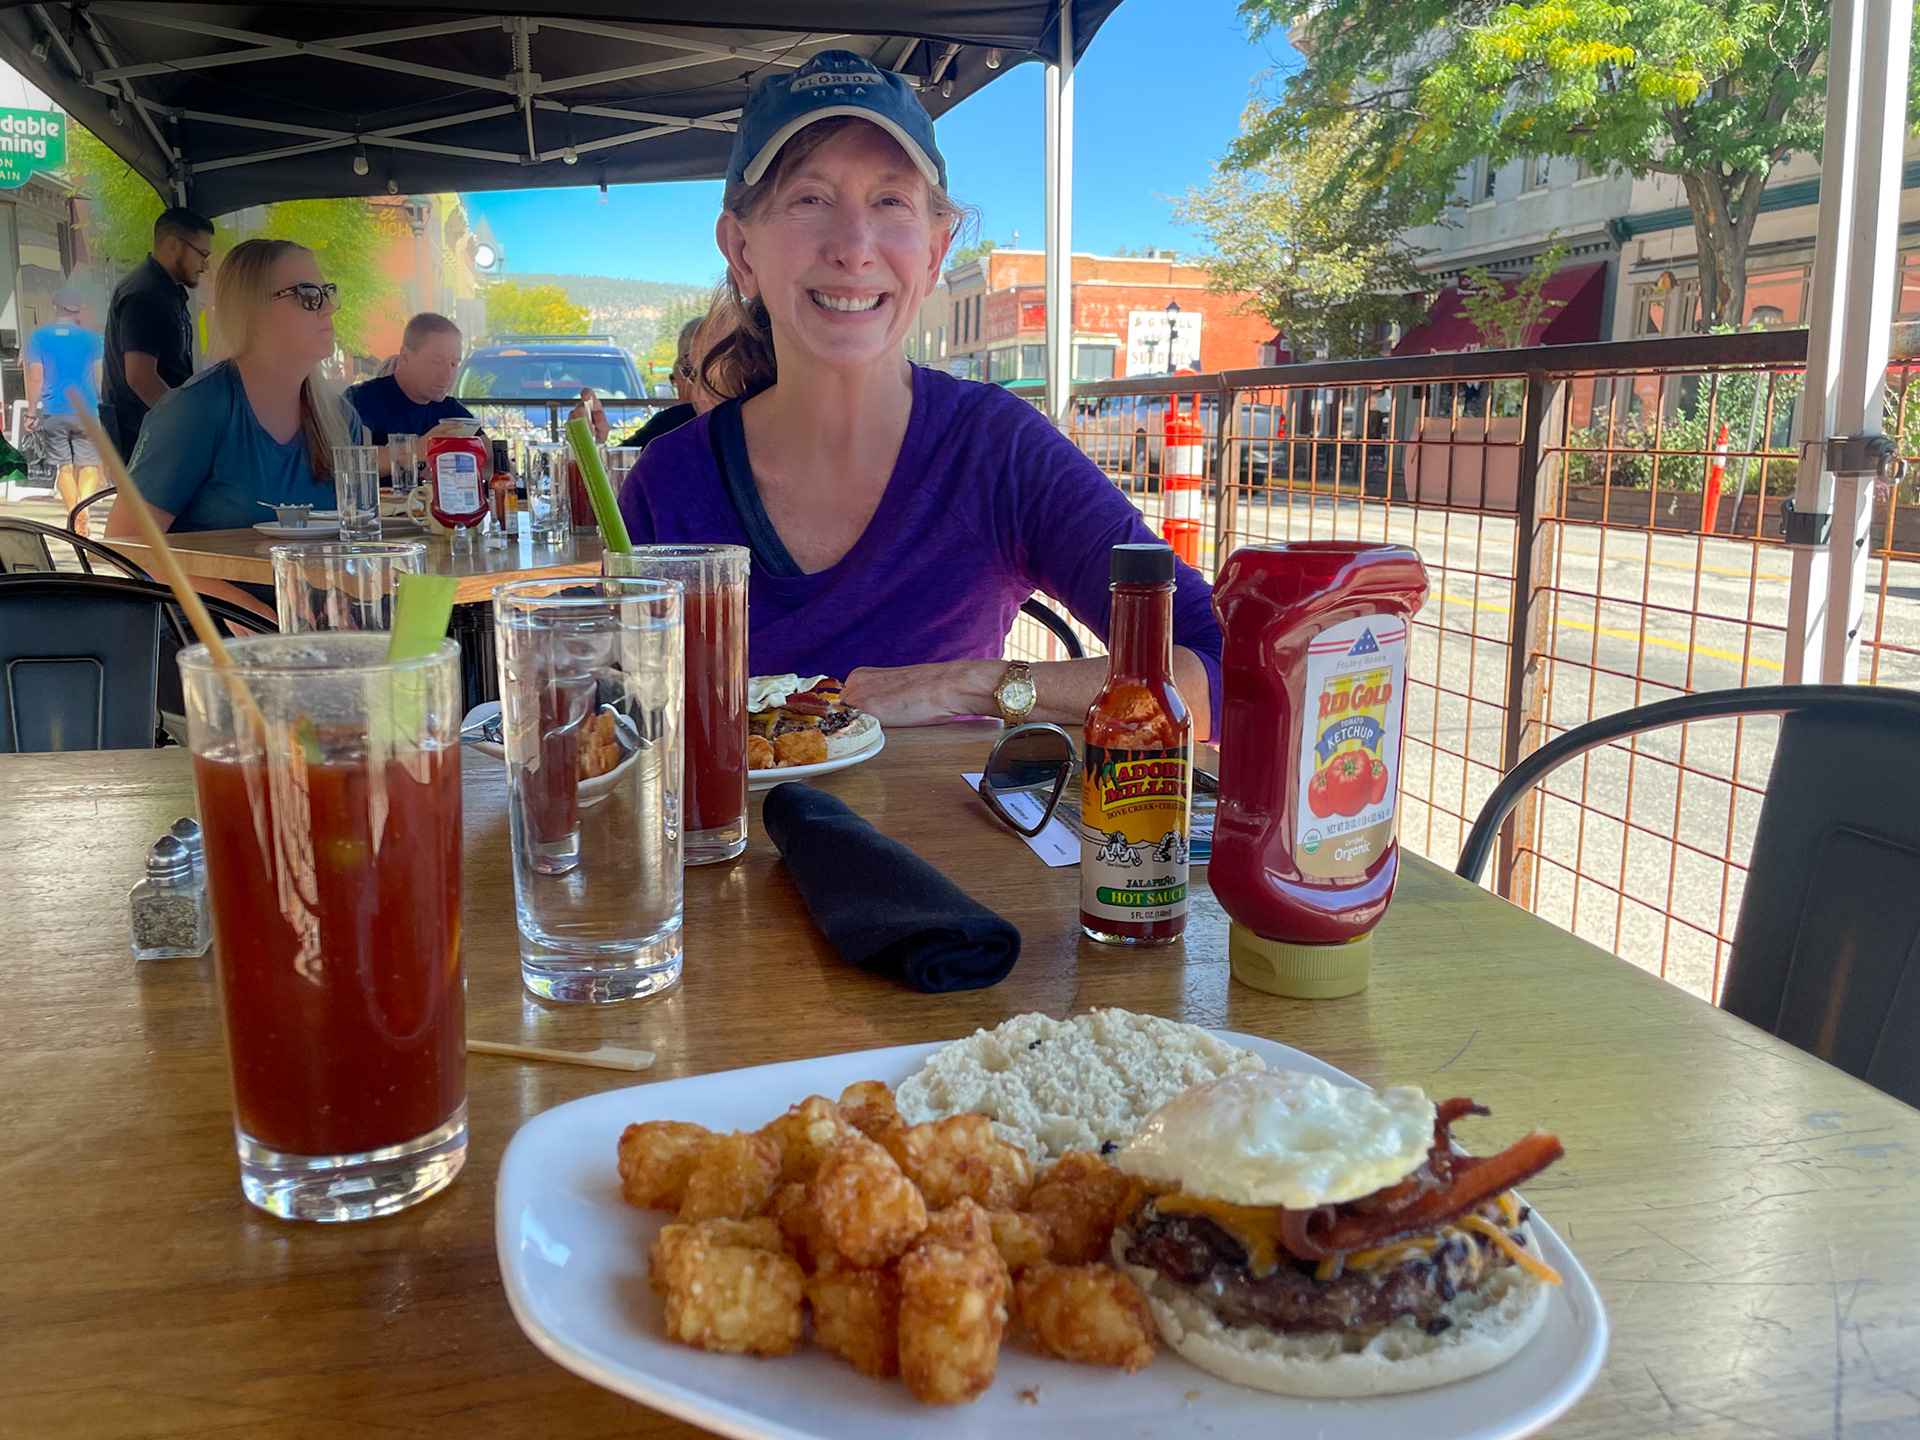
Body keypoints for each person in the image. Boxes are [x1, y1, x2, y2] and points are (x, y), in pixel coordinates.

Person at [616, 51, 1223, 736]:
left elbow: (1221, 669)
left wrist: (965, 684)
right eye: (809, 198)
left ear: (935, 253)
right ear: (742, 250)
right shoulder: (669, 483)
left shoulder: (997, 450)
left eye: (889, 202)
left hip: (944, 847)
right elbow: (630, 717)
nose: (853, 246)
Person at [107, 239, 363, 618]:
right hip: (202, 639)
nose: (327, 308)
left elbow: (348, 546)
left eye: (327, 293)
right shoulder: (199, 409)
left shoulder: (341, 419)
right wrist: (245, 611)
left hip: (308, 637)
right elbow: (124, 544)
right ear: (255, 311)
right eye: (308, 295)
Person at [101, 206, 214, 458]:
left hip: (153, 429)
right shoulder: (144, 293)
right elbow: (140, 376)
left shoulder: (166, 291)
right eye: (202, 254)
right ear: (174, 245)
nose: (204, 266)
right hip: (143, 434)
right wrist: (183, 425)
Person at [572, 305, 720, 448]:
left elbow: (623, 465)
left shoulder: (672, 424)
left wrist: (590, 446)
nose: (679, 395)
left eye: (675, 380)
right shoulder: (737, 422)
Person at [25, 289, 105, 514]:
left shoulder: (39, 338)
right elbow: (100, 378)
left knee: (65, 468)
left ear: (54, 309)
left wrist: (31, 412)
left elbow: (35, 379)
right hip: (87, 412)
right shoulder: (94, 340)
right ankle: (84, 509)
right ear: (77, 310)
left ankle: (74, 512)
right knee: (89, 465)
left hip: (54, 412)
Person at [344, 311, 473, 443]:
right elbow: (356, 455)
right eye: (437, 362)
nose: (448, 374)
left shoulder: (451, 411)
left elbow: (489, 454)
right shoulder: (363, 399)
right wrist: (418, 450)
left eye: (454, 364)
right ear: (406, 356)